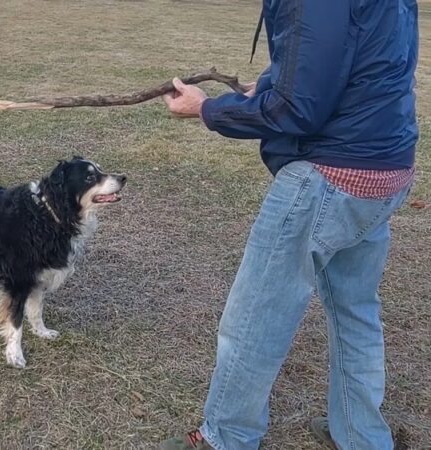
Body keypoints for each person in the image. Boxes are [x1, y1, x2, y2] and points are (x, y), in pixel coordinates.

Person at [159, 0, 418, 449]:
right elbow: (361, 59)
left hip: (332, 174)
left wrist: (208, 110)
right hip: (386, 164)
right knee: (355, 311)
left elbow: (298, 108)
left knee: (256, 318)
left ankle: (226, 438)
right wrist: (272, 82)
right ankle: (363, 436)